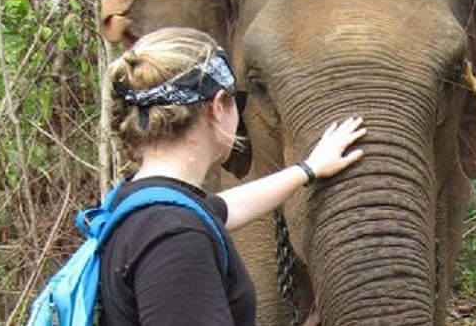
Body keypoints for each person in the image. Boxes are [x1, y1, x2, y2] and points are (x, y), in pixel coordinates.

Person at [100, 27, 365, 325]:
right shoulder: (176, 238)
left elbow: (223, 207)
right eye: (238, 102)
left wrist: (309, 169)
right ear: (218, 106)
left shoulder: (138, 203)